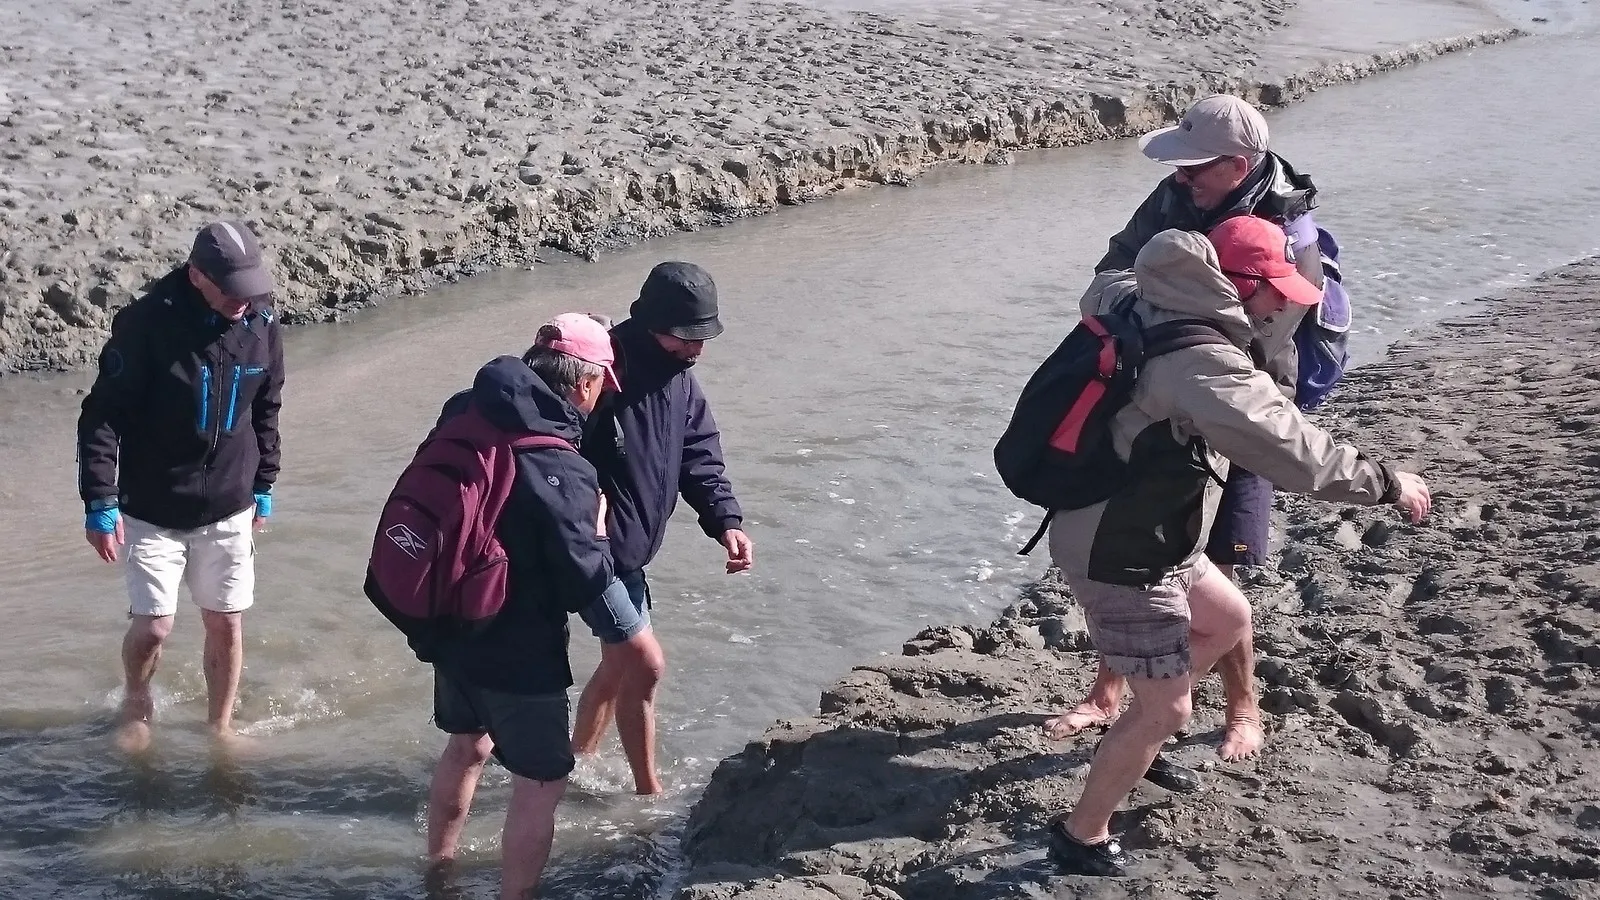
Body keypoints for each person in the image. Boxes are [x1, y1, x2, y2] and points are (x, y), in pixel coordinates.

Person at [1045, 218, 1430, 876]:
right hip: (1120, 549)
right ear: (1237, 283)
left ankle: (1138, 730)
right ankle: (1081, 836)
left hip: (1148, 528)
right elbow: (1294, 451)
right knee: (1170, 710)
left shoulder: (1139, 296)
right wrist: (1389, 484)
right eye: (1275, 290)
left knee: (1228, 619)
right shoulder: (1205, 363)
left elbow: (1104, 281)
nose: (1282, 305)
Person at [1050, 94, 1330, 761]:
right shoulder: (1177, 195)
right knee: (1132, 551)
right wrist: (1148, 306)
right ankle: (1107, 692)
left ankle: (1242, 705)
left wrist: (1177, 327)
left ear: (1237, 165)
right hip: (1161, 393)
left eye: (1194, 167)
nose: (1180, 176)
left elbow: (1258, 347)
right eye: (1178, 166)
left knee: (1221, 568)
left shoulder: (1290, 233)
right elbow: (1113, 267)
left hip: (1243, 401)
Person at [420, 314, 626, 900]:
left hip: (449, 622)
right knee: (541, 783)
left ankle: (438, 871)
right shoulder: (560, 463)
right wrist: (599, 529)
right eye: (602, 385)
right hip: (519, 648)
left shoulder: (463, 411)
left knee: (466, 746)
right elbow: (583, 582)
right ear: (584, 384)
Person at [77, 220, 285, 753]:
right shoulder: (145, 325)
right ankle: (136, 701)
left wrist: (265, 481)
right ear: (197, 276)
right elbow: (102, 415)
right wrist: (99, 499)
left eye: (250, 287)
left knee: (226, 622)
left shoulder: (261, 319)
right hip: (151, 505)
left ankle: (220, 727)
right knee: (154, 627)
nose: (243, 300)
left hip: (230, 503)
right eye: (231, 289)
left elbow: (267, 405)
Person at [570, 261, 754, 795]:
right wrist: (585, 525)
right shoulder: (601, 370)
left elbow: (699, 455)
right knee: (645, 665)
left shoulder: (681, 381)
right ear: (651, 322)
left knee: (618, 666)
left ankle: (576, 763)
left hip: (631, 553)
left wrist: (725, 521)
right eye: (686, 336)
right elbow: (550, 452)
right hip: (591, 550)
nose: (695, 348)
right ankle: (650, 794)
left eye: (703, 338)